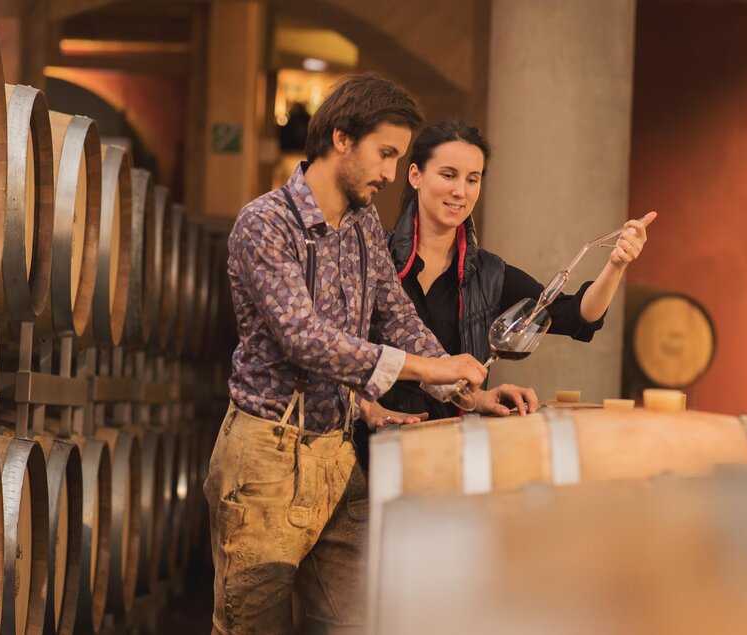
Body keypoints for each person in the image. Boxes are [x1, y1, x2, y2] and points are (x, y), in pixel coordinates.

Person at [205, 75, 523, 635]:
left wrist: (469, 392)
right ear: (341, 139)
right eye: (386, 154)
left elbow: (396, 316)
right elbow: (304, 338)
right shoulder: (265, 223)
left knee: (361, 622)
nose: (391, 173)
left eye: (399, 158)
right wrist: (430, 367)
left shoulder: (362, 226)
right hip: (265, 460)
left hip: (336, 454)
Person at [375, 119, 656, 423]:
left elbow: (575, 314)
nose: (460, 191)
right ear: (415, 175)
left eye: (473, 179)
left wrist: (617, 264)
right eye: (448, 175)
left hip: (451, 446)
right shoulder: (376, 255)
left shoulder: (489, 273)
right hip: (369, 444)